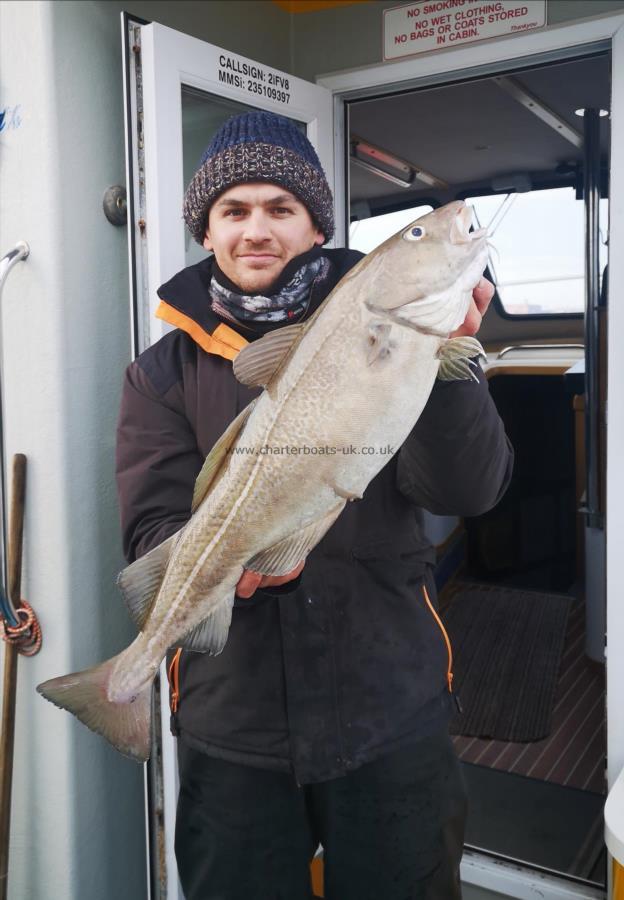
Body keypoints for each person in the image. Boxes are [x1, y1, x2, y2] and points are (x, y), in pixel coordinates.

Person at [115, 111, 513, 900]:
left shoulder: (393, 326)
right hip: (233, 726)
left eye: (280, 208)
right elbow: (151, 528)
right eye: (234, 210)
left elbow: (471, 491)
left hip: (390, 707)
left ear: (315, 225)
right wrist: (223, 568)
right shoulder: (160, 373)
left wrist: (445, 364)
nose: (256, 229)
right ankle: (120, 681)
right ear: (207, 231)